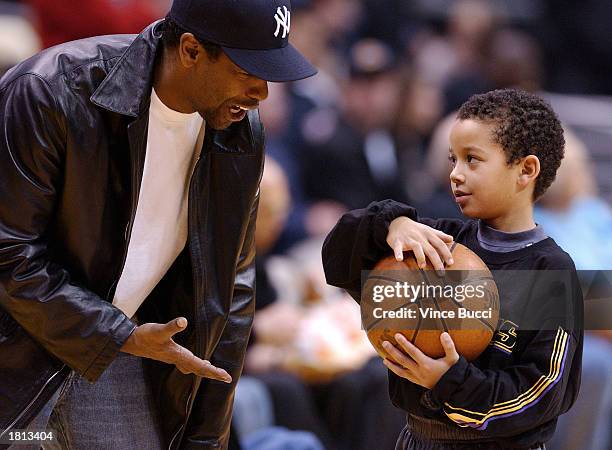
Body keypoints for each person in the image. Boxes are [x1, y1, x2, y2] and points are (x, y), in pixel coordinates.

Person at [0, 0, 316, 449]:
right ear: (190, 50)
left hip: (130, 345)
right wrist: (119, 332)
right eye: (248, 71)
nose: (261, 92)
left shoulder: (241, 131)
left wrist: (206, 437)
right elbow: (9, 256)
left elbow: (231, 294)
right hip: (18, 345)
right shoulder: (49, 92)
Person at [322, 89, 583, 450]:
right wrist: (389, 224)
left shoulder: (549, 270)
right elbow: (337, 261)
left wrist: (449, 381)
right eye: (452, 160)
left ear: (526, 170)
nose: (455, 174)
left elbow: (543, 392)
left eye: (472, 160)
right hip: (416, 438)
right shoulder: (436, 240)